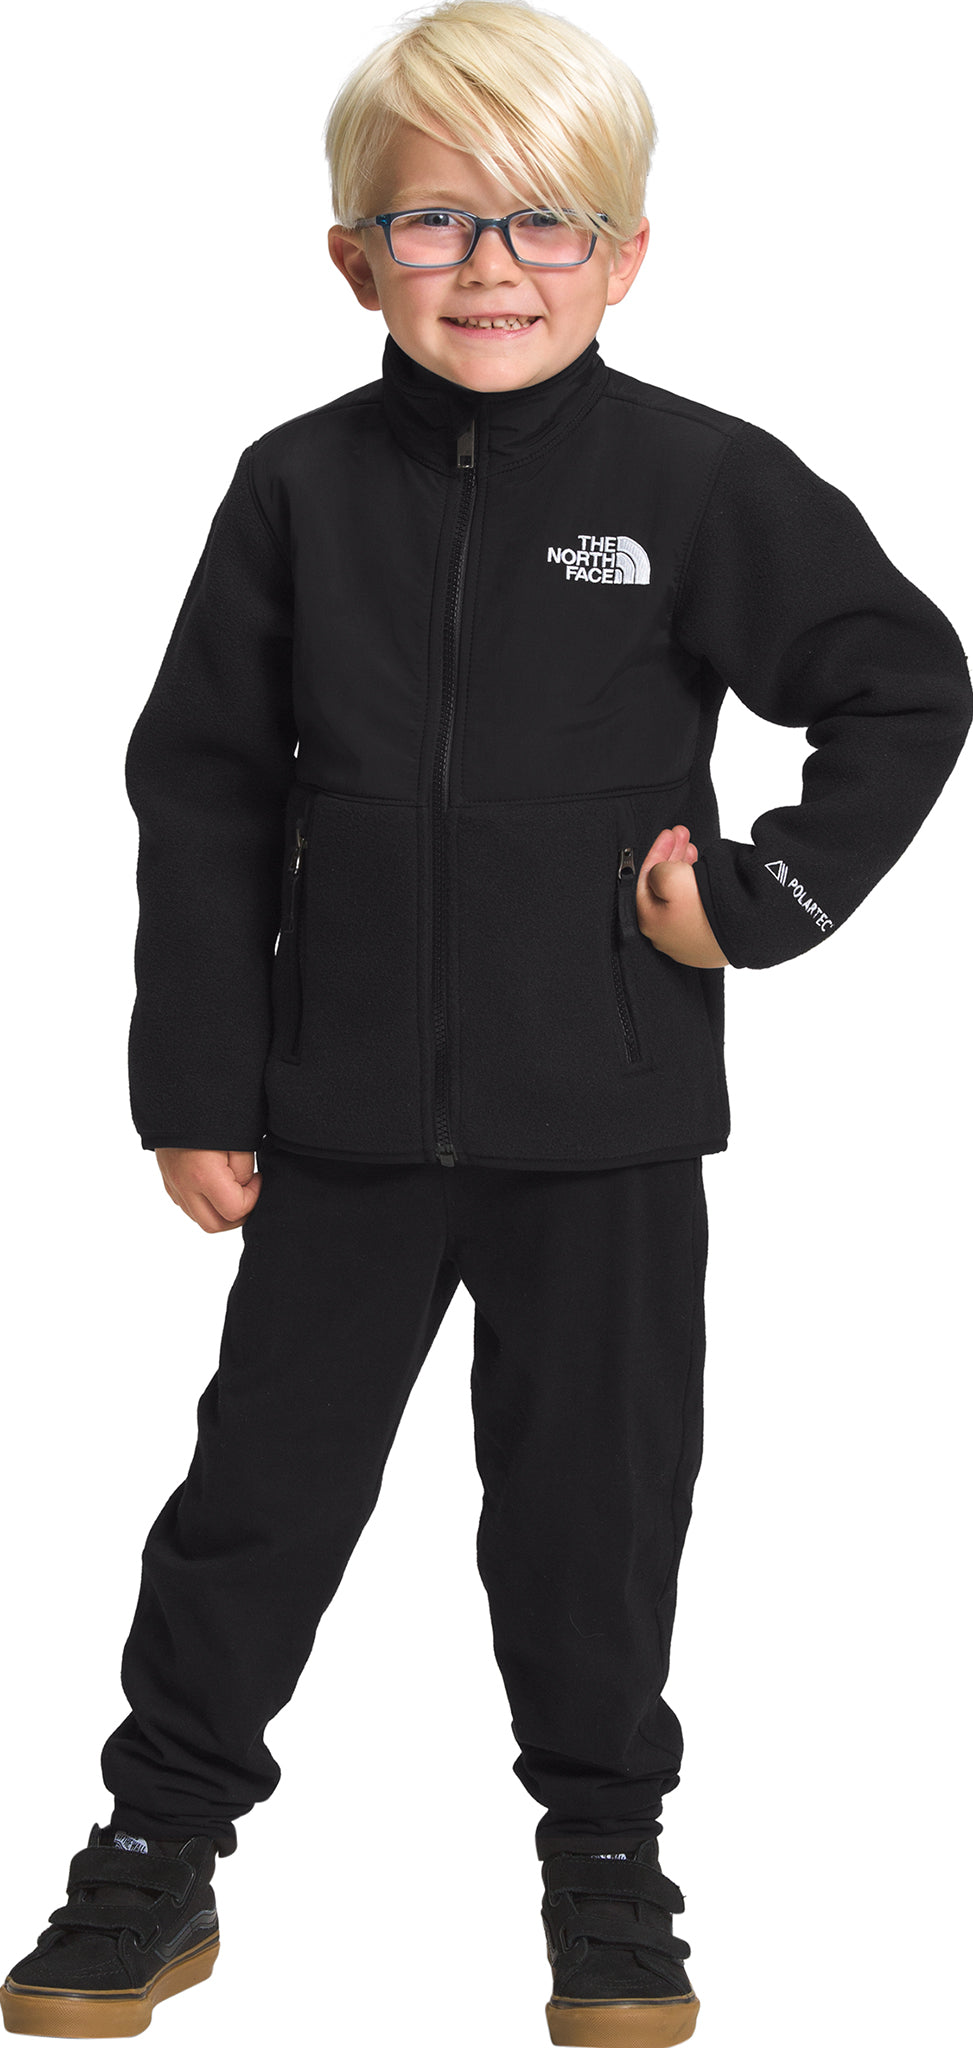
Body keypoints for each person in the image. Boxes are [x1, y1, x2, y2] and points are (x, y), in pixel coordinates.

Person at [2, 3, 970, 2043]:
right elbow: (202, 790)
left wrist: (756, 901)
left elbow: (902, 681)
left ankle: (606, 1865)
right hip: (335, 1120)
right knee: (257, 1503)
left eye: (546, 222)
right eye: (436, 222)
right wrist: (193, 1081)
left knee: (590, 1515)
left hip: (603, 1118)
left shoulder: (695, 480)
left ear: (626, 257)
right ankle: (154, 1849)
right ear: (353, 257)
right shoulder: (291, 489)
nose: (493, 265)